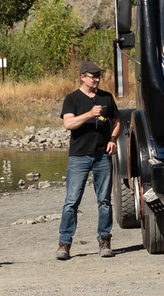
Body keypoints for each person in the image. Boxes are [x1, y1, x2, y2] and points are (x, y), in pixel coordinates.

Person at [56, 60, 120, 260]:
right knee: (71, 202)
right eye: (93, 76)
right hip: (79, 157)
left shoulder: (107, 98)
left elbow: (117, 122)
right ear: (83, 77)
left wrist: (113, 139)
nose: (97, 79)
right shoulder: (72, 98)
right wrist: (89, 114)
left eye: (99, 76)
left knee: (104, 201)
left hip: (102, 156)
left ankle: (104, 240)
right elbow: (69, 124)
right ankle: (64, 244)